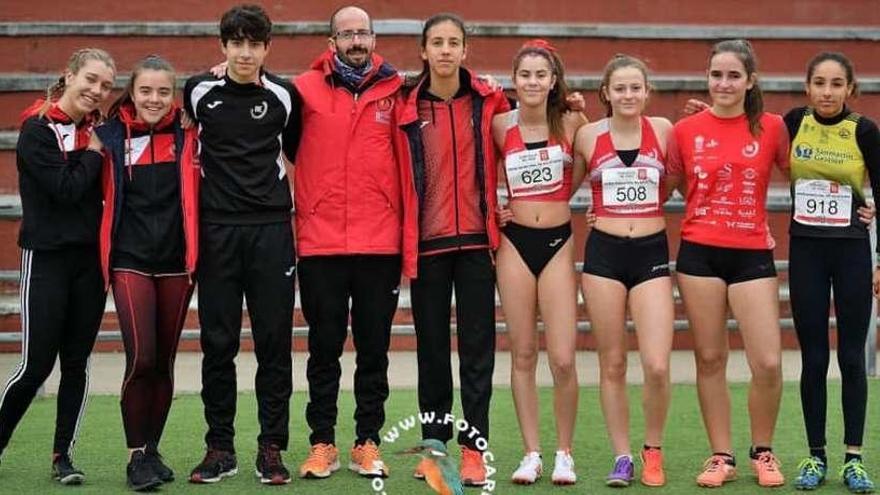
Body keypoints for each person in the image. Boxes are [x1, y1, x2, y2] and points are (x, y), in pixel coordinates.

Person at [183, 4, 302, 485]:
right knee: (217, 343)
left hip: (272, 231)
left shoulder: (284, 96)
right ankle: (219, 447)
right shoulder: (198, 92)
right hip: (218, 232)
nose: (245, 52)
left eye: (255, 43)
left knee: (274, 343)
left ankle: (271, 447)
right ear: (223, 46)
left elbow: (294, 152)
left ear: (267, 48)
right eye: (237, 43)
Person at [667, 39, 790, 488]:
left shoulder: (773, 127)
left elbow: (804, 175)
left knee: (769, 362)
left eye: (734, 75)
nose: (724, 83)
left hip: (753, 252)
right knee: (711, 357)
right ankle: (721, 455)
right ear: (707, 77)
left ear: (751, 80)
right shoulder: (684, 130)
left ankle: (763, 451)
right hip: (699, 253)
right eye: (717, 74)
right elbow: (678, 187)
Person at [395, 12, 510, 487]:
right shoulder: (404, 103)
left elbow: (531, 132)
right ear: (423, 51)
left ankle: (473, 450)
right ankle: (435, 447)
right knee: (433, 353)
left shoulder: (490, 99)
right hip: (427, 246)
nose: (445, 50)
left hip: (478, 245)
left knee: (478, 351)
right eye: (436, 42)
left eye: (453, 42)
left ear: (466, 50)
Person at [294, 5, 403, 481]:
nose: (355, 41)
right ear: (331, 40)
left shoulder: (398, 90)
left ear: (373, 38)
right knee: (323, 349)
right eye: (346, 34)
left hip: (380, 242)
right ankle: (322, 443)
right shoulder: (302, 90)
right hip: (320, 242)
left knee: (374, 350)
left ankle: (366, 441)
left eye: (363, 33)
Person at [0, 48, 115, 485]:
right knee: (36, 365)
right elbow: (65, 190)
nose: (97, 91)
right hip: (46, 260)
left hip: (89, 263)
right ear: (68, 75)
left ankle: (63, 455)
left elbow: (152, 109)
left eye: (105, 85)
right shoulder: (36, 129)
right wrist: (96, 149)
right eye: (90, 80)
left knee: (77, 363)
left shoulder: (97, 128)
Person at [94, 55, 199, 491]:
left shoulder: (190, 133)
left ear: (172, 95)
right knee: (143, 358)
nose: (154, 99)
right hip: (130, 260)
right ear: (132, 93)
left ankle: (153, 449)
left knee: (166, 362)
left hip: (177, 262)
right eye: (145, 91)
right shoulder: (109, 136)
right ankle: (135, 454)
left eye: (162, 91)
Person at [576, 54, 674, 488]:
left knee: (656, 363)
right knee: (612, 362)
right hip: (604, 256)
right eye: (620, 88)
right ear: (606, 93)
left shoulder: (665, 131)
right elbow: (561, 189)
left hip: (651, 250)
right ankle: (621, 456)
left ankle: (652, 450)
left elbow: (684, 181)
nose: (628, 95)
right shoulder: (587, 135)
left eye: (636, 88)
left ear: (647, 92)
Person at [785, 52, 880, 493]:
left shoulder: (863, 130)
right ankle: (816, 455)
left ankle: (854, 458)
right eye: (819, 82)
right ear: (807, 87)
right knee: (814, 358)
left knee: (851, 358)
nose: (827, 91)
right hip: (806, 253)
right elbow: (744, 141)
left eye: (836, 83)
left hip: (852, 254)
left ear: (849, 89)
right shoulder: (791, 123)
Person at [492, 39, 584, 486]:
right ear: (514, 80)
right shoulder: (499, 125)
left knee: (563, 357)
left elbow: (585, 167)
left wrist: (562, 202)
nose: (532, 82)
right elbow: (484, 175)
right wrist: (497, 205)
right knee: (524, 352)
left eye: (540, 75)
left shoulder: (571, 120)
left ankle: (564, 451)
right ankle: (531, 453)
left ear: (552, 82)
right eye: (525, 75)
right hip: (514, 244)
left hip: (559, 242)